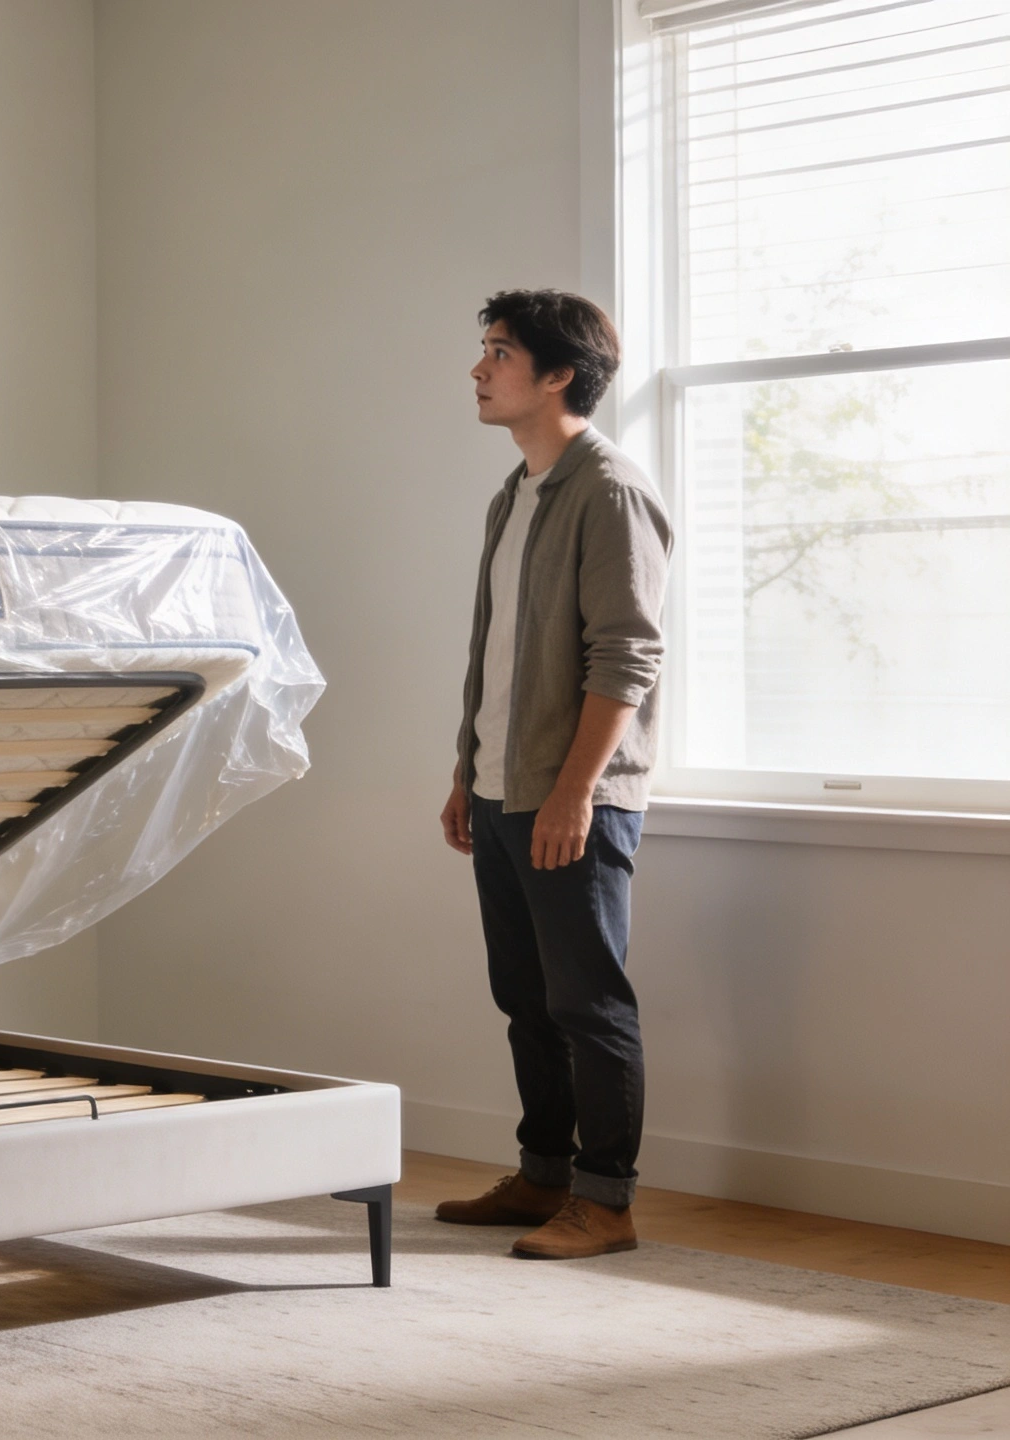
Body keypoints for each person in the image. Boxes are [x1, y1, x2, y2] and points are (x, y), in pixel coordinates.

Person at [436, 290, 671, 1260]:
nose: (478, 369)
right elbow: (495, 653)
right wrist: (466, 773)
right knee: (524, 997)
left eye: (497, 353)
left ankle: (605, 1201)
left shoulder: (608, 488)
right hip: (500, 790)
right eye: (482, 350)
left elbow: (625, 657)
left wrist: (574, 791)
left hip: (575, 797)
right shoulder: (515, 493)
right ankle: (543, 1176)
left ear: (557, 374)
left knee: (588, 1002)